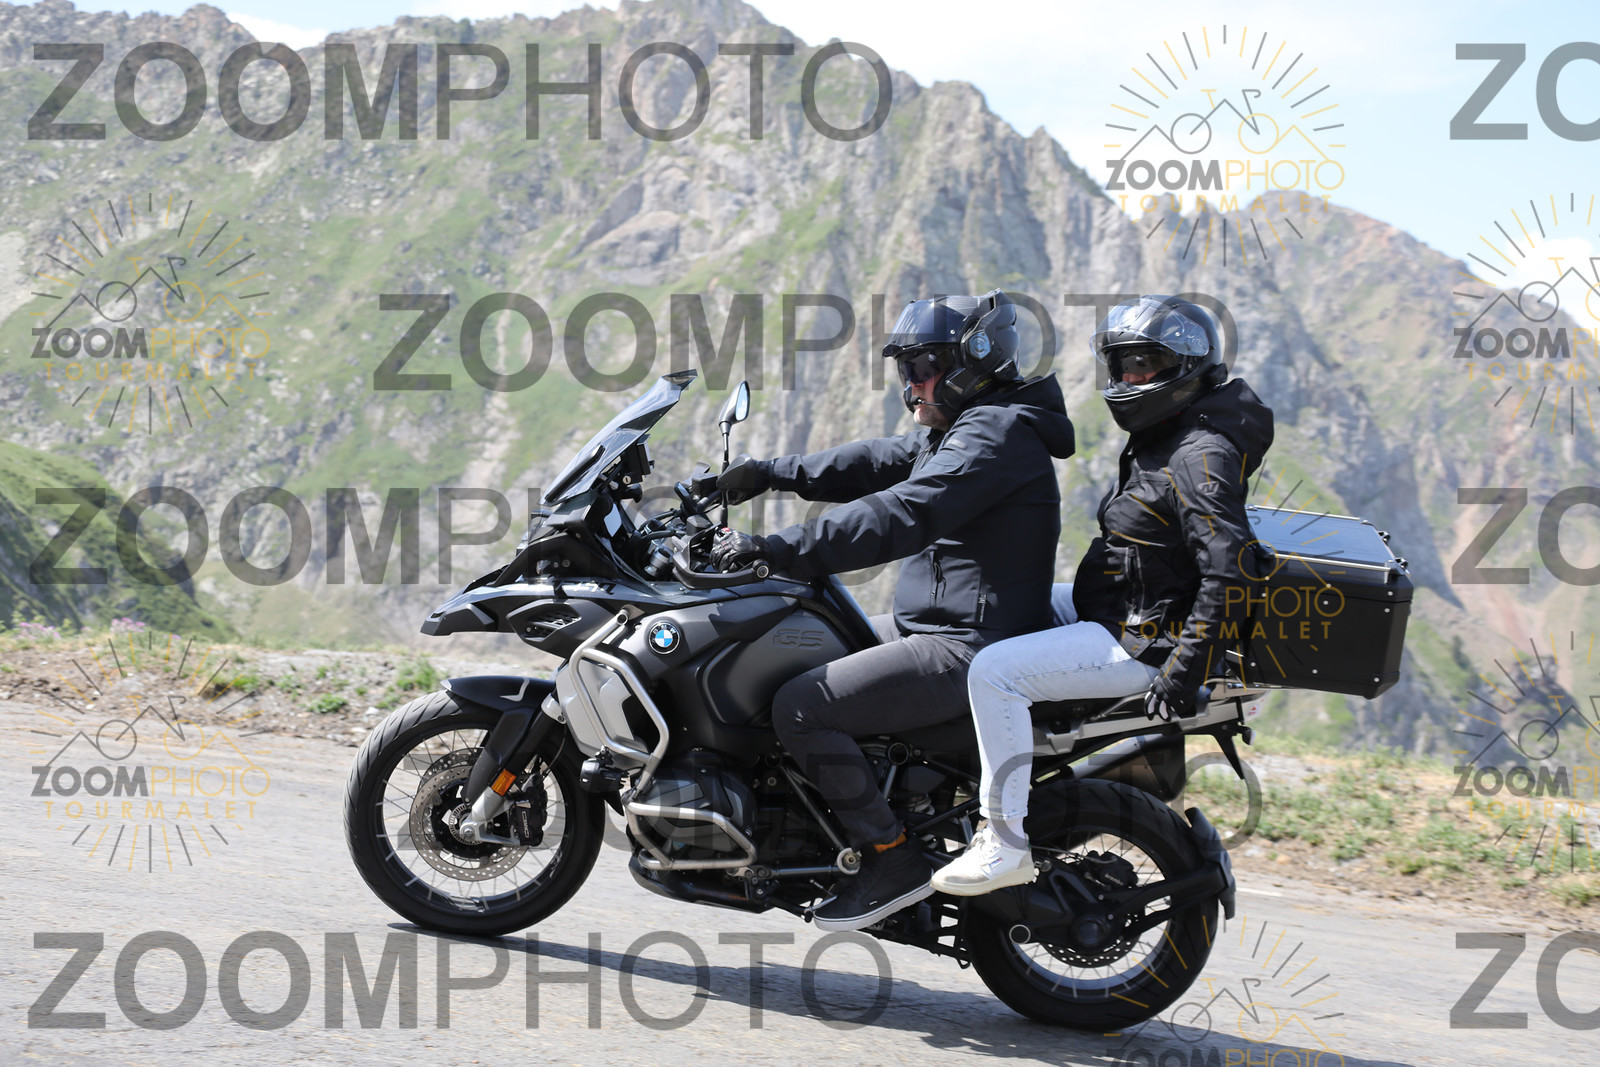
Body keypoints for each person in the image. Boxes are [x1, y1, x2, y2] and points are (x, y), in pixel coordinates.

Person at [709, 290, 1075, 931]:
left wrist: (775, 550)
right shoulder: (964, 428)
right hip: (930, 627)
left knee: (803, 706)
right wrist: (769, 473)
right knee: (799, 641)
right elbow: (876, 462)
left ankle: (889, 855)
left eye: (922, 368)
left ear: (971, 362)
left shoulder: (996, 435)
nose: (912, 385)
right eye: (906, 370)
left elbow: (903, 513)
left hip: (967, 646)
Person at [931, 294, 1274, 896]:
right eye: (1122, 365)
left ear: (1184, 367)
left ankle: (1003, 841)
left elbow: (1231, 569)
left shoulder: (1200, 454)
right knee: (1008, 606)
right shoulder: (1169, 431)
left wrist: (1184, 669)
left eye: (1144, 365)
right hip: (1125, 608)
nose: (1129, 378)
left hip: (1149, 640)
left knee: (994, 673)